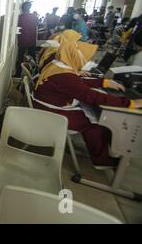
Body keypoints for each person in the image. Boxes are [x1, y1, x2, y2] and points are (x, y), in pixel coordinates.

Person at [33, 41, 142, 169]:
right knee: (94, 125)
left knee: (92, 113)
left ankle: (103, 155)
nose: (84, 62)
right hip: (53, 114)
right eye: (84, 58)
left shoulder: (58, 64)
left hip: (44, 106)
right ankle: (102, 161)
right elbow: (91, 96)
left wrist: (104, 83)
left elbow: (78, 82)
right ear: (74, 55)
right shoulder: (65, 75)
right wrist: (129, 103)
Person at [15, 1, 38, 77]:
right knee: (33, 58)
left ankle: (18, 74)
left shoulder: (20, 17)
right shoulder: (34, 17)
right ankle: (34, 74)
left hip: (23, 41)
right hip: (32, 40)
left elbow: (17, 30)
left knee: (20, 58)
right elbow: (36, 27)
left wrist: (17, 35)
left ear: (22, 9)